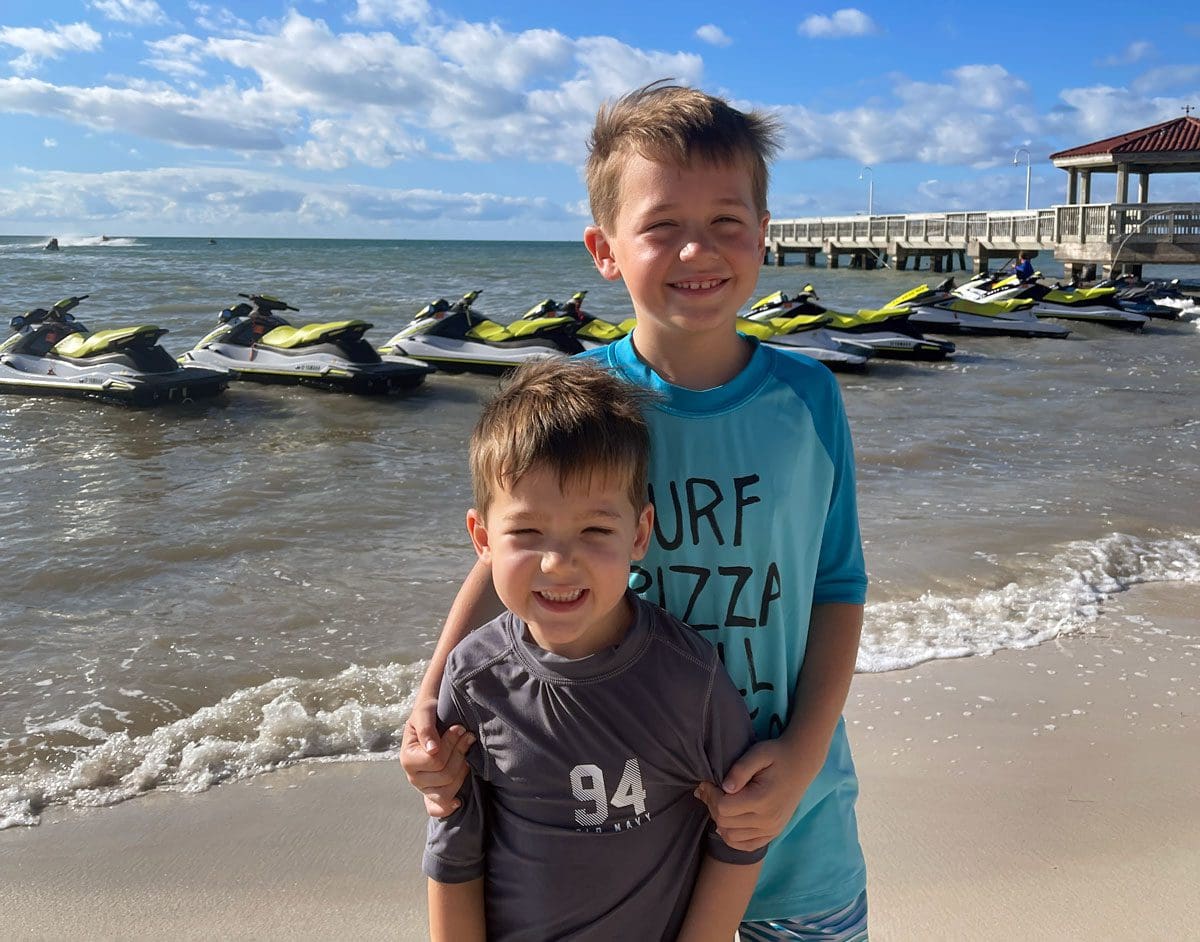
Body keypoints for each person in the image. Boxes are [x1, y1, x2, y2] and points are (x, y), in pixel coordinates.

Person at [404, 81, 870, 940]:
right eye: (661, 226)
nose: (699, 247)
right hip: (621, 826)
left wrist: (802, 758)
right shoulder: (584, 398)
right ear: (605, 248)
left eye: (728, 221)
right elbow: (508, 555)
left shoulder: (809, 398)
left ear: (764, 233)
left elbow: (837, 586)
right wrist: (429, 706)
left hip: (789, 813)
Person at [423, 358, 766, 941]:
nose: (558, 563)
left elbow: (740, 832)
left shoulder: (689, 679)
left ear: (639, 534)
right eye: (527, 533)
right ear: (482, 538)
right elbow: (454, 849)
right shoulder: (475, 680)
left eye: (595, 531)